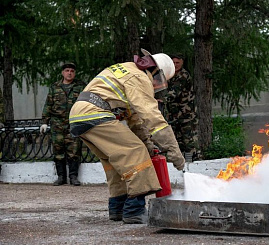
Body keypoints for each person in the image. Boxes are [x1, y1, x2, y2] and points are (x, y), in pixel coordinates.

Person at [68, 49, 185, 224]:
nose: (156, 85)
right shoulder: (139, 78)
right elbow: (153, 118)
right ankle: (134, 211)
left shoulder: (127, 70)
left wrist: (149, 144)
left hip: (79, 115)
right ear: (157, 73)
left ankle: (118, 208)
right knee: (135, 152)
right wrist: (175, 154)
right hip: (96, 113)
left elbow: (136, 121)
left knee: (115, 161)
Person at [40, 63, 86, 186]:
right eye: (67, 70)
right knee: (58, 150)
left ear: (74, 73)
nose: (69, 73)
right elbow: (48, 105)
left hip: (74, 123)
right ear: (62, 73)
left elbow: (86, 103)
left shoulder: (80, 86)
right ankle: (61, 177)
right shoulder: (55, 87)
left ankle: (73, 177)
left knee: (74, 151)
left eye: (72, 71)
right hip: (57, 124)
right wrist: (44, 122)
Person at [155, 53, 199, 162]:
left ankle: (192, 164)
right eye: (173, 63)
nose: (175, 65)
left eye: (177, 62)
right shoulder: (170, 75)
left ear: (182, 62)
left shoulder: (183, 76)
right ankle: (179, 164)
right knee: (175, 142)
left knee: (189, 143)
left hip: (186, 116)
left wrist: (160, 100)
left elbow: (174, 93)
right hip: (173, 116)